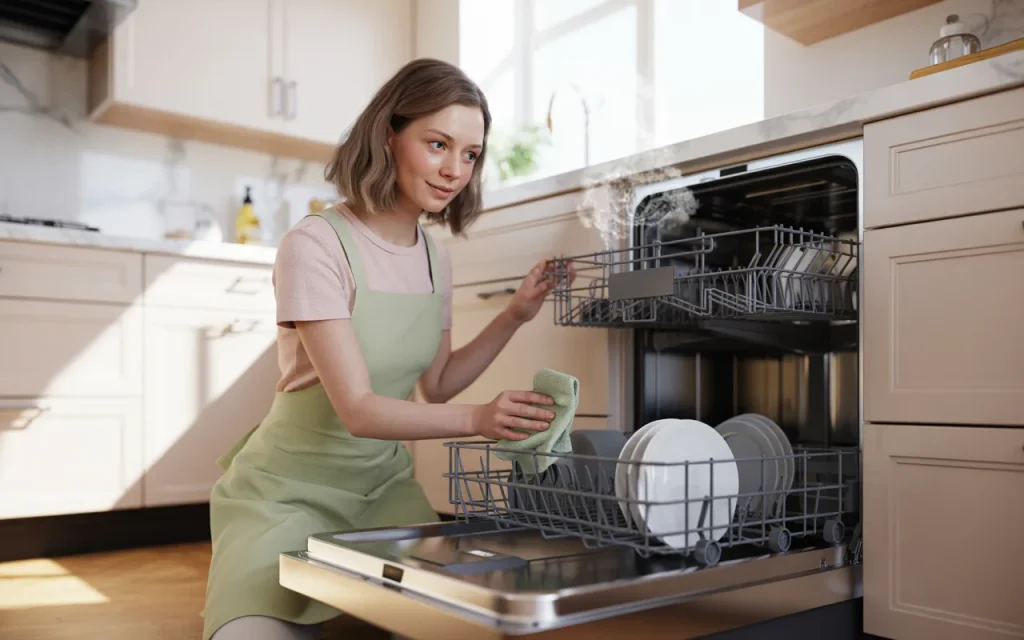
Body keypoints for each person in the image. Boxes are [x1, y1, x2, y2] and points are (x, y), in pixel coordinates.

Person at [202, 58, 573, 640]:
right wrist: (479, 419)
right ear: (388, 135)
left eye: (470, 154)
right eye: (437, 143)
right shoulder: (315, 244)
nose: (455, 169)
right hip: (285, 493)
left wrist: (515, 315)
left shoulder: (434, 256)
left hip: (384, 492)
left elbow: (439, 383)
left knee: (459, 628)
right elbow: (359, 407)